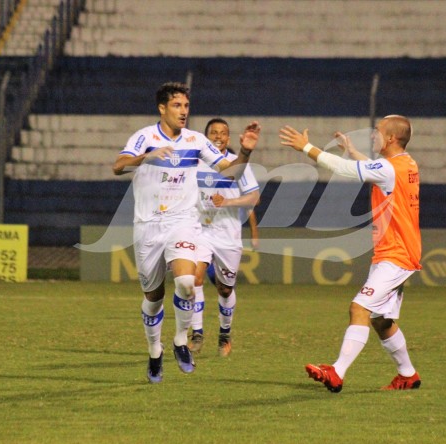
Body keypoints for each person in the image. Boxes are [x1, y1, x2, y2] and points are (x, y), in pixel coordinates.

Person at [112, 82, 260, 383]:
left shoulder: (196, 140)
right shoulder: (144, 137)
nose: (183, 112)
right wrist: (146, 158)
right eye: (177, 106)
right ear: (162, 108)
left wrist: (244, 151)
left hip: (183, 223)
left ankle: (181, 339)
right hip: (148, 227)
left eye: (186, 106)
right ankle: (155, 350)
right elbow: (118, 166)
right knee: (153, 297)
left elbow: (229, 171)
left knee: (186, 281)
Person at [279, 115, 422, 393]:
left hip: (396, 255)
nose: (372, 135)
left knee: (359, 308)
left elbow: (346, 171)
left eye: (377, 131)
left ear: (391, 138)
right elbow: (373, 169)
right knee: (382, 320)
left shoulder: (390, 168)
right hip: (394, 252)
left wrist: (306, 148)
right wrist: (353, 152)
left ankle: (337, 372)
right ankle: (408, 374)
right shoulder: (407, 163)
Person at [189, 118, 261, 356]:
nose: (218, 136)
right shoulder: (195, 163)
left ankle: (224, 334)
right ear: (206, 137)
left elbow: (254, 198)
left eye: (222, 133)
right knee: (194, 278)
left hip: (228, 236)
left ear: (228, 139)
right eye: (213, 133)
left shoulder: (236, 163)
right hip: (201, 231)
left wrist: (228, 202)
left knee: (225, 289)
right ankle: (196, 334)